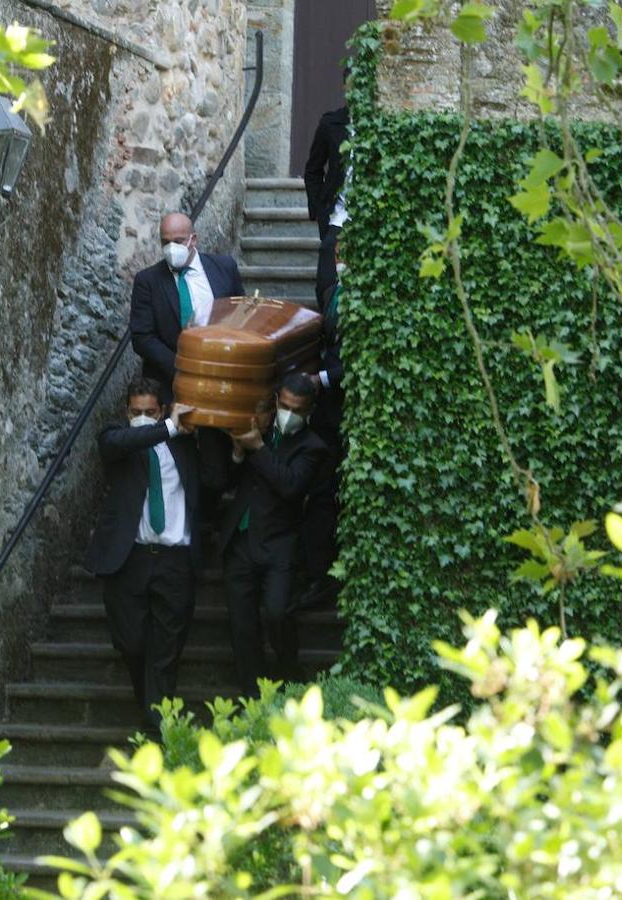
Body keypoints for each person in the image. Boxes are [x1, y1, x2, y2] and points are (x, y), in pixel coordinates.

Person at [83, 377, 203, 731]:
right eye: (136, 412)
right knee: (132, 644)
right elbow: (121, 440)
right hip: (130, 558)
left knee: (165, 651)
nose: (142, 418)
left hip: (175, 559)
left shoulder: (184, 447)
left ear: (162, 408)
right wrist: (166, 427)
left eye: (150, 412)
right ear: (126, 412)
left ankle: (157, 726)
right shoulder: (117, 440)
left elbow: (213, 478)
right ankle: (150, 707)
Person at [208, 373, 328, 695]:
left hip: (279, 544)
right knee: (242, 626)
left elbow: (290, 486)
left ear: (309, 411)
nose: (289, 413)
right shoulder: (257, 427)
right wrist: (237, 452)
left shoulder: (312, 446)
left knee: (276, 612)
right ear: (277, 401)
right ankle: (252, 694)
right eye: (285, 405)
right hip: (240, 541)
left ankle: (289, 671)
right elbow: (227, 482)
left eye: (297, 409)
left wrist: (258, 448)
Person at [129, 212, 244, 400]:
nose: (171, 248)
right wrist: (182, 369)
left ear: (194, 239)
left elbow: (239, 316)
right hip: (171, 383)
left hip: (223, 375)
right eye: (165, 242)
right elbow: (142, 337)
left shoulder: (224, 268)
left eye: (178, 241)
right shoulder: (147, 281)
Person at [297, 245, 346, 611]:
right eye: (337, 253)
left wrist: (324, 379)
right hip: (327, 413)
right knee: (320, 494)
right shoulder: (332, 293)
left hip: (346, 406)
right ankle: (318, 573)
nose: (339, 260)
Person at [303, 100, 350, 241]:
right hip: (336, 213)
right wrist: (319, 209)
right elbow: (313, 170)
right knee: (328, 254)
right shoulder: (330, 123)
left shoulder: (380, 124)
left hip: (370, 216)